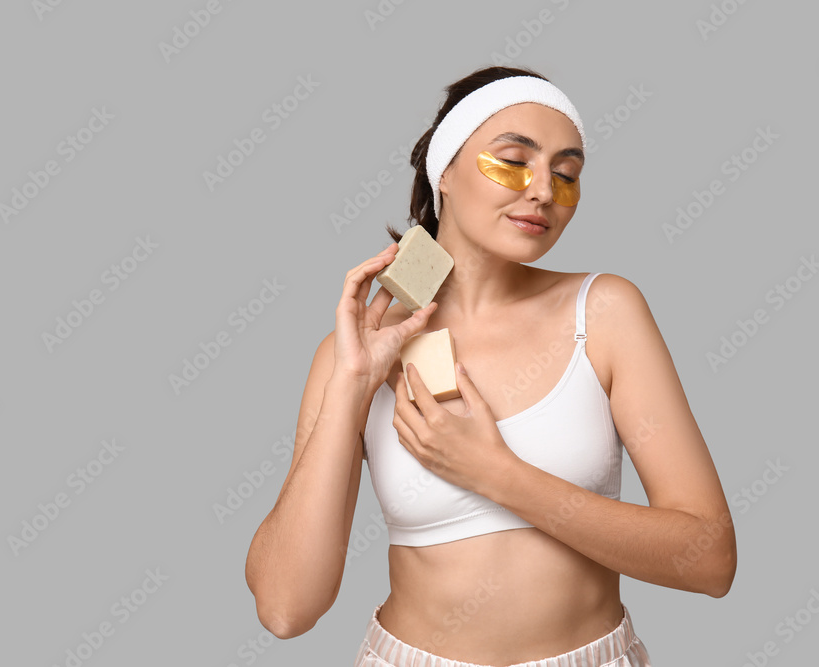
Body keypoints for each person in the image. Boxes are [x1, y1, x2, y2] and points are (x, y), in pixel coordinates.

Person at [245, 65, 736, 667]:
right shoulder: (359, 349)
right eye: (512, 161)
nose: (542, 191)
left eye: (567, 174)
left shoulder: (604, 312)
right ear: (444, 171)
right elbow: (285, 608)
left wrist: (495, 472)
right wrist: (351, 384)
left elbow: (710, 562)